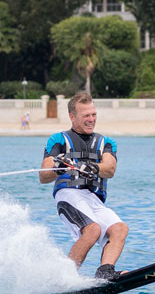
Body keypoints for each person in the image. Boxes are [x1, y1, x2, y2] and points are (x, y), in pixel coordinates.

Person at [39, 91, 128, 281]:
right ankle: (64, 279)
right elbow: (43, 175)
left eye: (94, 114)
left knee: (119, 228)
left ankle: (105, 272)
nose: (91, 119)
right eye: (86, 115)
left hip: (92, 199)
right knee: (93, 230)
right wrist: (57, 166)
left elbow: (110, 169)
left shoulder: (106, 142)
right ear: (73, 117)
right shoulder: (58, 140)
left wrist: (93, 167)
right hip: (68, 195)